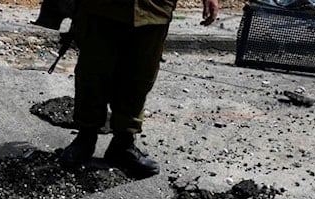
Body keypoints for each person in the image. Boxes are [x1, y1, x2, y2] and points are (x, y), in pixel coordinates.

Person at [60, 0, 220, 179]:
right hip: (101, 8)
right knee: (93, 73)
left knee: (139, 78)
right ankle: (85, 139)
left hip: (154, 9)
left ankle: (123, 145)